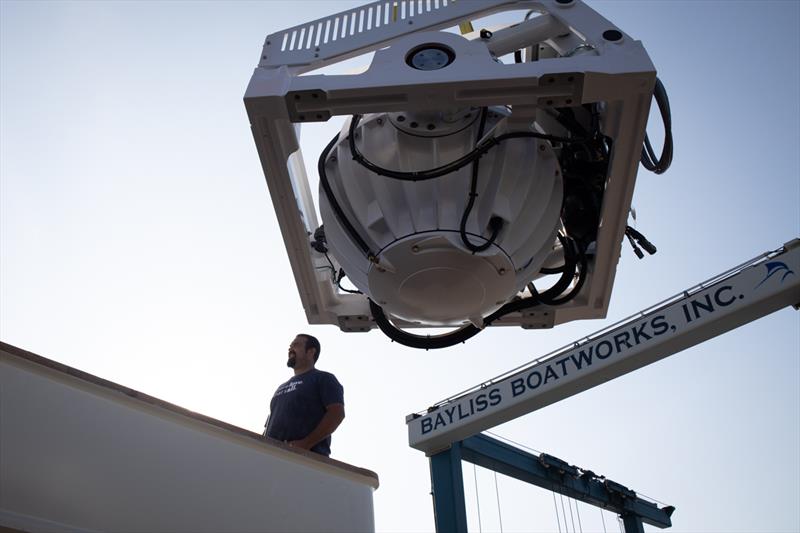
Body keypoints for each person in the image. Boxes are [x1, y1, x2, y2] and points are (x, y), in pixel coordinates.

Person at [263, 334, 345, 457]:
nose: (290, 349)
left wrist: (305, 444)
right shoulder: (281, 387)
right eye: (290, 347)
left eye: (296, 345)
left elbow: (337, 413)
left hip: (306, 459)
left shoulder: (323, 379)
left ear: (311, 352)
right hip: (271, 455)